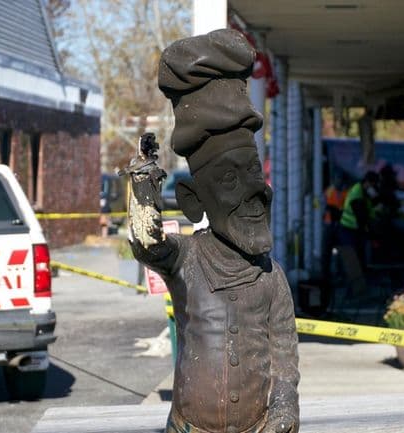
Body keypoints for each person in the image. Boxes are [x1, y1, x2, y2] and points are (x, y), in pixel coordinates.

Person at [124, 29, 299, 433]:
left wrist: (285, 404)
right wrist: (143, 192)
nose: (254, 192)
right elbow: (148, 245)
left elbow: (285, 357)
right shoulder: (186, 260)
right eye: (229, 182)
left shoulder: (273, 279)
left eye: (254, 174)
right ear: (192, 200)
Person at [338, 171, 379, 270]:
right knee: (353, 255)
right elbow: (361, 216)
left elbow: (370, 206)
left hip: (354, 229)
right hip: (349, 228)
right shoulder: (357, 193)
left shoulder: (363, 191)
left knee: (359, 253)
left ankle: (359, 274)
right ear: (368, 182)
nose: (374, 187)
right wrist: (369, 231)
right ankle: (353, 278)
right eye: (373, 185)